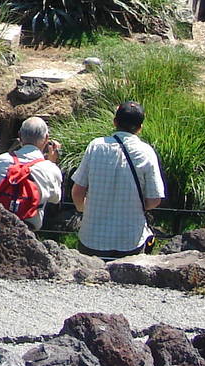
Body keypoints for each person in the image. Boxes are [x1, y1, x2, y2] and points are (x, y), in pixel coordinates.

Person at [71, 100, 165, 260]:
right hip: (130, 240)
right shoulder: (147, 152)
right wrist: (136, 207)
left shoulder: (95, 146)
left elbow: (77, 192)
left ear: (115, 122)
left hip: (92, 238)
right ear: (140, 128)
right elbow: (154, 200)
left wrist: (85, 209)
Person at [0, 116, 65, 230]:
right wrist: (52, 162)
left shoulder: (1, 160)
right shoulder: (50, 168)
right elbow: (56, 198)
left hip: (0, 224)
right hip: (29, 228)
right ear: (46, 138)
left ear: (19, 136)